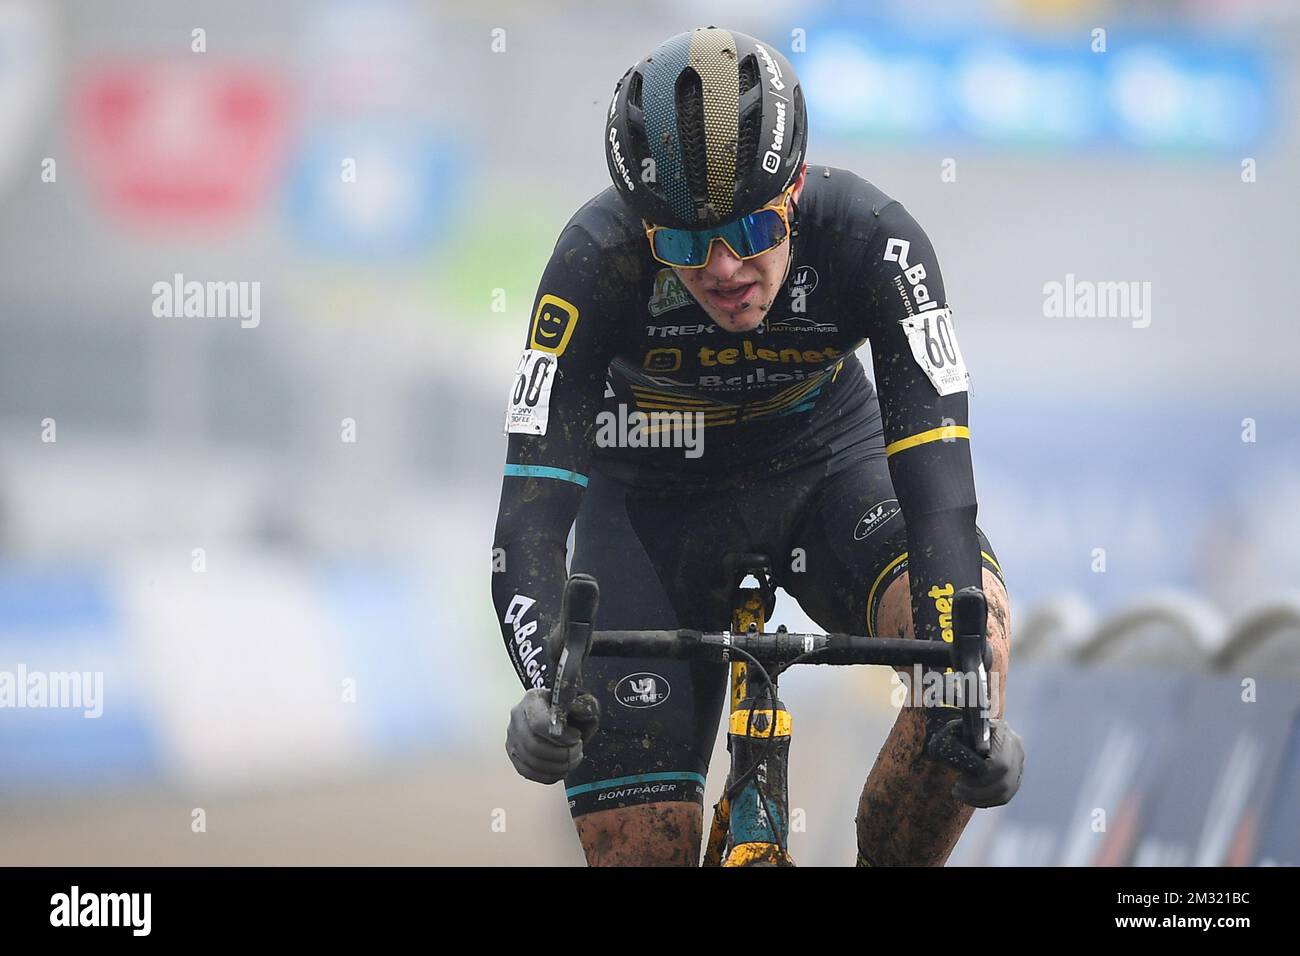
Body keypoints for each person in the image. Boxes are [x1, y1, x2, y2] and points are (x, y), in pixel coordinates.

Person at [493, 26, 1023, 866]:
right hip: (647, 510)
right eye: (683, 243)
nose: (724, 267)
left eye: (750, 228)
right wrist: (542, 690)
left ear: (797, 189)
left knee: (972, 639)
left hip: (830, 482)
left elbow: (940, 494)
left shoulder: (876, 242)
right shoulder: (591, 262)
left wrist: (965, 700)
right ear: (642, 226)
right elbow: (527, 519)